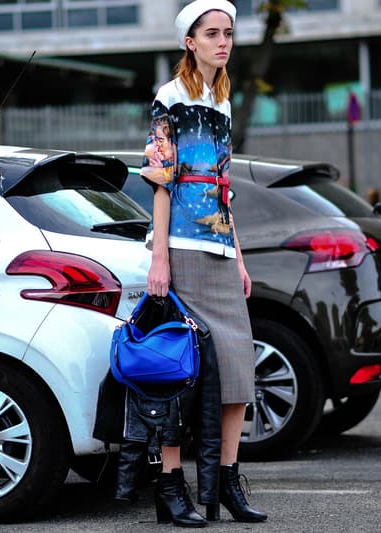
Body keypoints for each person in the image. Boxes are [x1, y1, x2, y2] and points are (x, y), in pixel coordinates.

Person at [138, 0, 267, 527]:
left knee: (238, 371)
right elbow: (163, 181)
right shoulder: (170, 99)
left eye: (228, 33)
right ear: (189, 42)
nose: (223, 41)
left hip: (217, 251)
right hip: (183, 251)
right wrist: (160, 258)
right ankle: (170, 487)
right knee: (179, 372)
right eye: (211, 33)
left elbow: (223, 188)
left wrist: (238, 256)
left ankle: (227, 482)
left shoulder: (224, 102)